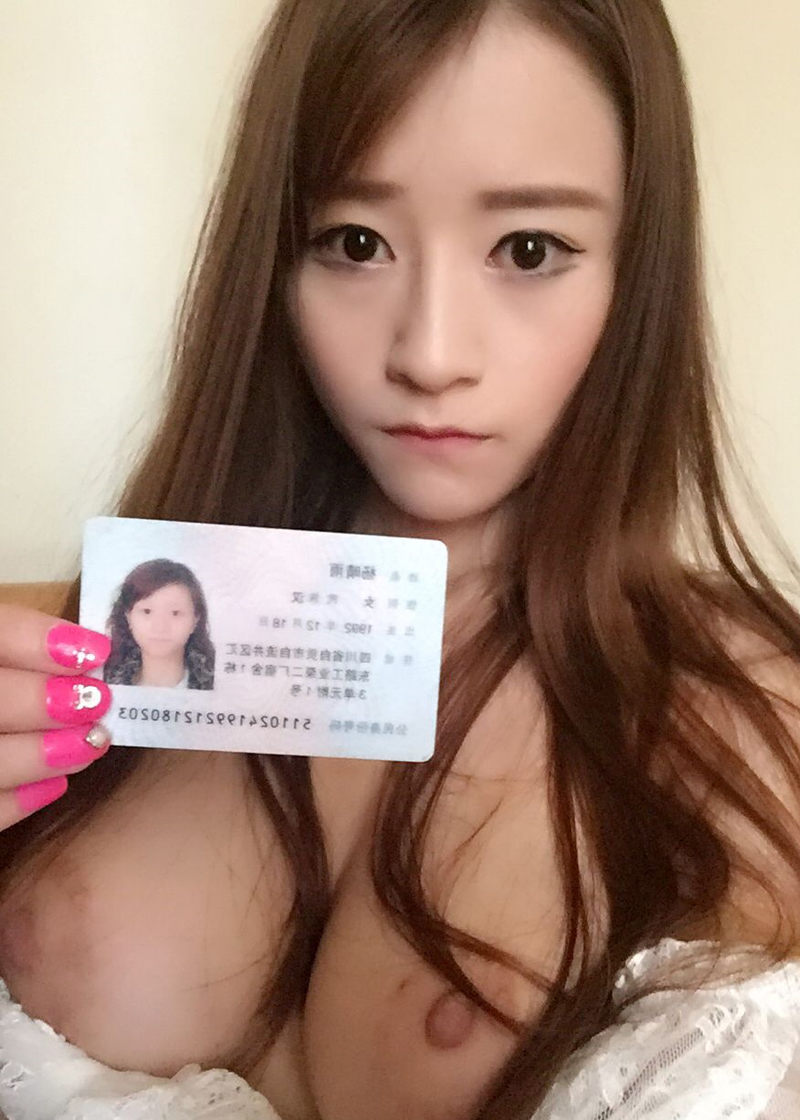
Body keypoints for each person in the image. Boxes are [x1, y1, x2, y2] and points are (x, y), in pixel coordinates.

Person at [0, 1, 799, 1118]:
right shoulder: (103, 644)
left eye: (528, 250)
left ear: (637, 274)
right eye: (355, 242)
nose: (429, 353)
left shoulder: (751, 722)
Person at [102, 558, 216, 690]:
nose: (160, 627)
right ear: (128, 617)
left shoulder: (221, 687)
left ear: (195, 620)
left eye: (175, 613)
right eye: (147, 611)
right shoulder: (103, 683)